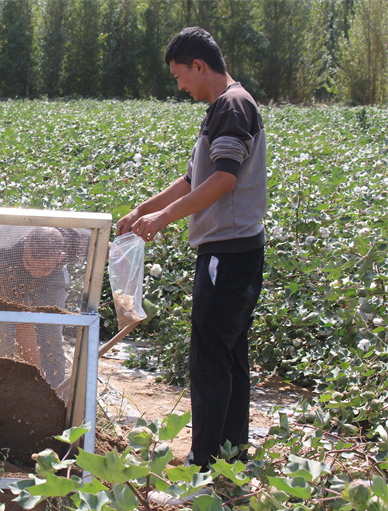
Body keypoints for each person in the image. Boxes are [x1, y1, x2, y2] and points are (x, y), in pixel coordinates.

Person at [116, 27, 267, 470]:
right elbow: (192, 180)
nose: (181, 87)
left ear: (199, 66)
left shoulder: (233, 106)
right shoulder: (223, 108)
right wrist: (144, 208)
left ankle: (204, 461)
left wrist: (162, 220)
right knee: (229, 353)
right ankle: (230, 454)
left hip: (229, 252)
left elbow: (223, 181)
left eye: (181, 76)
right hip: (234, 250)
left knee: (210, 359)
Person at [0, 225, 88, 390]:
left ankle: (55, 393)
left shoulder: (77, 238)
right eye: (30, 264)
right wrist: (35, 378)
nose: (35, 273)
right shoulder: (7, 253)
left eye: (44, 268)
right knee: (2, 335)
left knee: (51, 336)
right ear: (25, 244)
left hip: (51, 276)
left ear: (60, 256)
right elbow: (22, 324)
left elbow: (112, 250)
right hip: (5, 271)